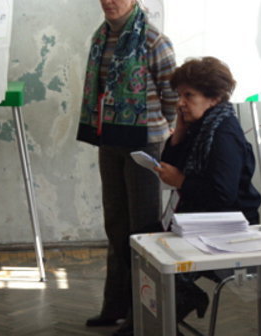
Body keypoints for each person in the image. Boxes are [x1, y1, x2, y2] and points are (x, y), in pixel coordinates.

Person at [76, 0, 177, 330]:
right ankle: (115, 306)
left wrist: (166, 136)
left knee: (144, 226)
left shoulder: (154, 41)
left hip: (145, 141)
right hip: (110, 140)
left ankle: (145, 311)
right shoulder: (99, 38)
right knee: (116, 223)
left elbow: (172, 98)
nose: (109, 1)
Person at [154, 56, 261, 324]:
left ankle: (162, 318)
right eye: (179, 95)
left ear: (213, 98)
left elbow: (222, 194)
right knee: (141, 245)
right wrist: (179, 130)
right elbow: (171, 163)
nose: (180, 102)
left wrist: (180, 181)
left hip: (229, 224)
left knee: (162, 264)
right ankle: (150, 322)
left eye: (188, 95)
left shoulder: (223, 132)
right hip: (201, 215)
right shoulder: (201, 125)